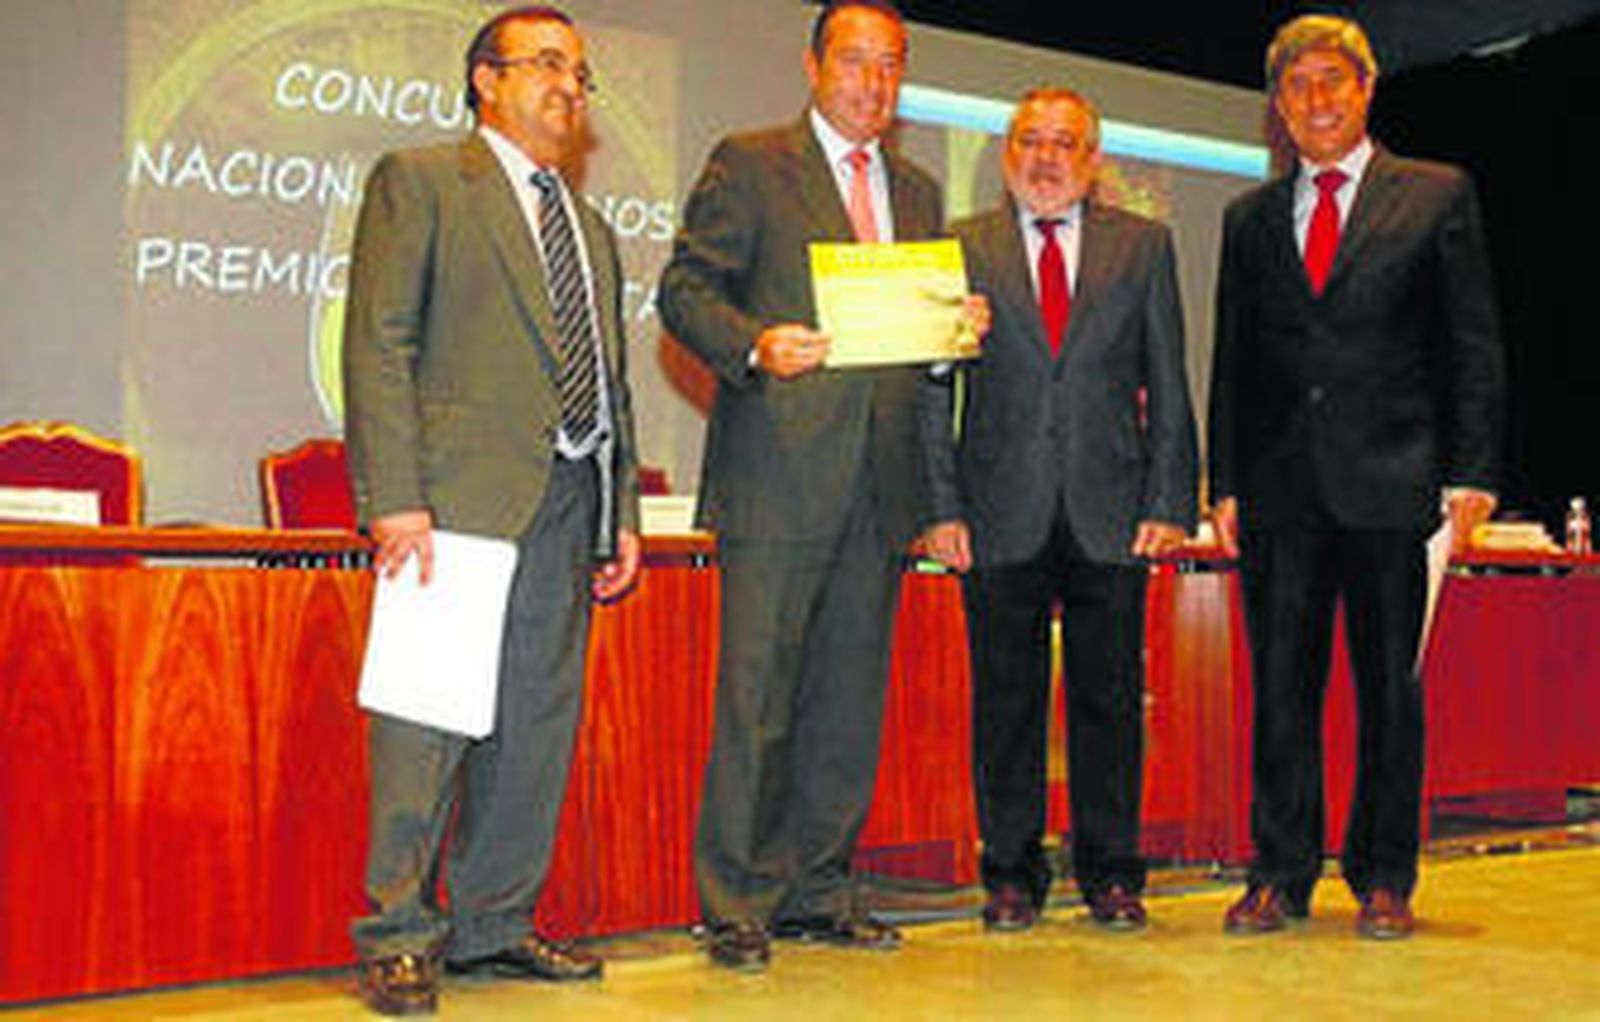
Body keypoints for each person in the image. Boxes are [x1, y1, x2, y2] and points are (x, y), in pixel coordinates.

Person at [659, 0, 985, 972]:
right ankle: (735, 900)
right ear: (813, 66)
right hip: (778, 476)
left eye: (891, 65)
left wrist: (951, 335)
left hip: (879, 486)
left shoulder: (922, 194)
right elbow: (683, 290)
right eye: (855, 61)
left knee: (848, 703)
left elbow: (921, 366)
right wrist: (754, 344)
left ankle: (817, 889)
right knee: (756, 697)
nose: (873, 82)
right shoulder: (750, 162)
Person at [341, 6, 641, 1014]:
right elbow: (378, 343)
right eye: (546, 64)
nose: (569, 85)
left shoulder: (592, 229)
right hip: (452, 501)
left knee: (534, 728)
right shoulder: (422, 180)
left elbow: (609, 379)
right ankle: (397, 933)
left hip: (568, 501)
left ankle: (493, 922)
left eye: (580, 71)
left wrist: (619, 507)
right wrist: (395, 497)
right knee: (425, 720)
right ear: (485, 78)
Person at [1208, 13, 1503, 941]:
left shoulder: (1435, 193)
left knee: (1389, 693)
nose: (1316, 99)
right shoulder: (1247, 219)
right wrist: (1224, 483)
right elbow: (1233, 364)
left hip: (1396, 486)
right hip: (1282, 493)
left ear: (1366, 89)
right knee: (1282, 693)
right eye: (1297, 86)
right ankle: (1280, 874)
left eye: (1333, 80)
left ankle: (1384, 877)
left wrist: (1472, 473)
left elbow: (1474, 344)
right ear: (1278, 107)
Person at [920, 87, 1197, 932]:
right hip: (996, 509)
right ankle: (1010, 873)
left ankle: (1113, 871)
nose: (1046, 157)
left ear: (1093, 159)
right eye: (1031, 141)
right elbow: (930, 389)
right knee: (1004, 702)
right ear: (1006, 153)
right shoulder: (960, 244)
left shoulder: (1143, 245)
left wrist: (1170, 498)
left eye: (1065, 143)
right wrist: (939, 506)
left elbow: (1168, 375)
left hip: (1110, 511)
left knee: (1110, 701)